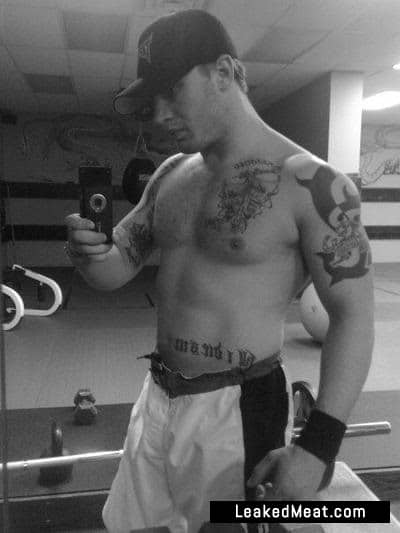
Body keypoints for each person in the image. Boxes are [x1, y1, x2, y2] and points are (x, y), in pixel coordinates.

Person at [64, 9, 374, 533]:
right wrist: (89, 254)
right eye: (153, 99)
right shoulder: (170, 174)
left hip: (238, 410)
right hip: (157, 396)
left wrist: (318, 446)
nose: (160, 115)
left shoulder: (314, 184)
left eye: (173, 91)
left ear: (225, 72)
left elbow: (353, 315)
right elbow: (115, 268)